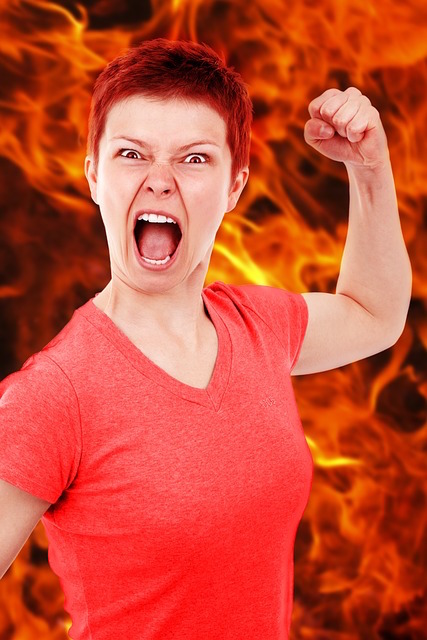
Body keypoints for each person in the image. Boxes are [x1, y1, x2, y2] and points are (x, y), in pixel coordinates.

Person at [0, 38, 411, 639]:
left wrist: (370, 169)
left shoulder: (256, 325)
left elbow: (375, 313)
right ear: (94, 175)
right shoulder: (53, 395)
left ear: (235, 186)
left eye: (194, 159)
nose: (160, 181)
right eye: (132, 154)